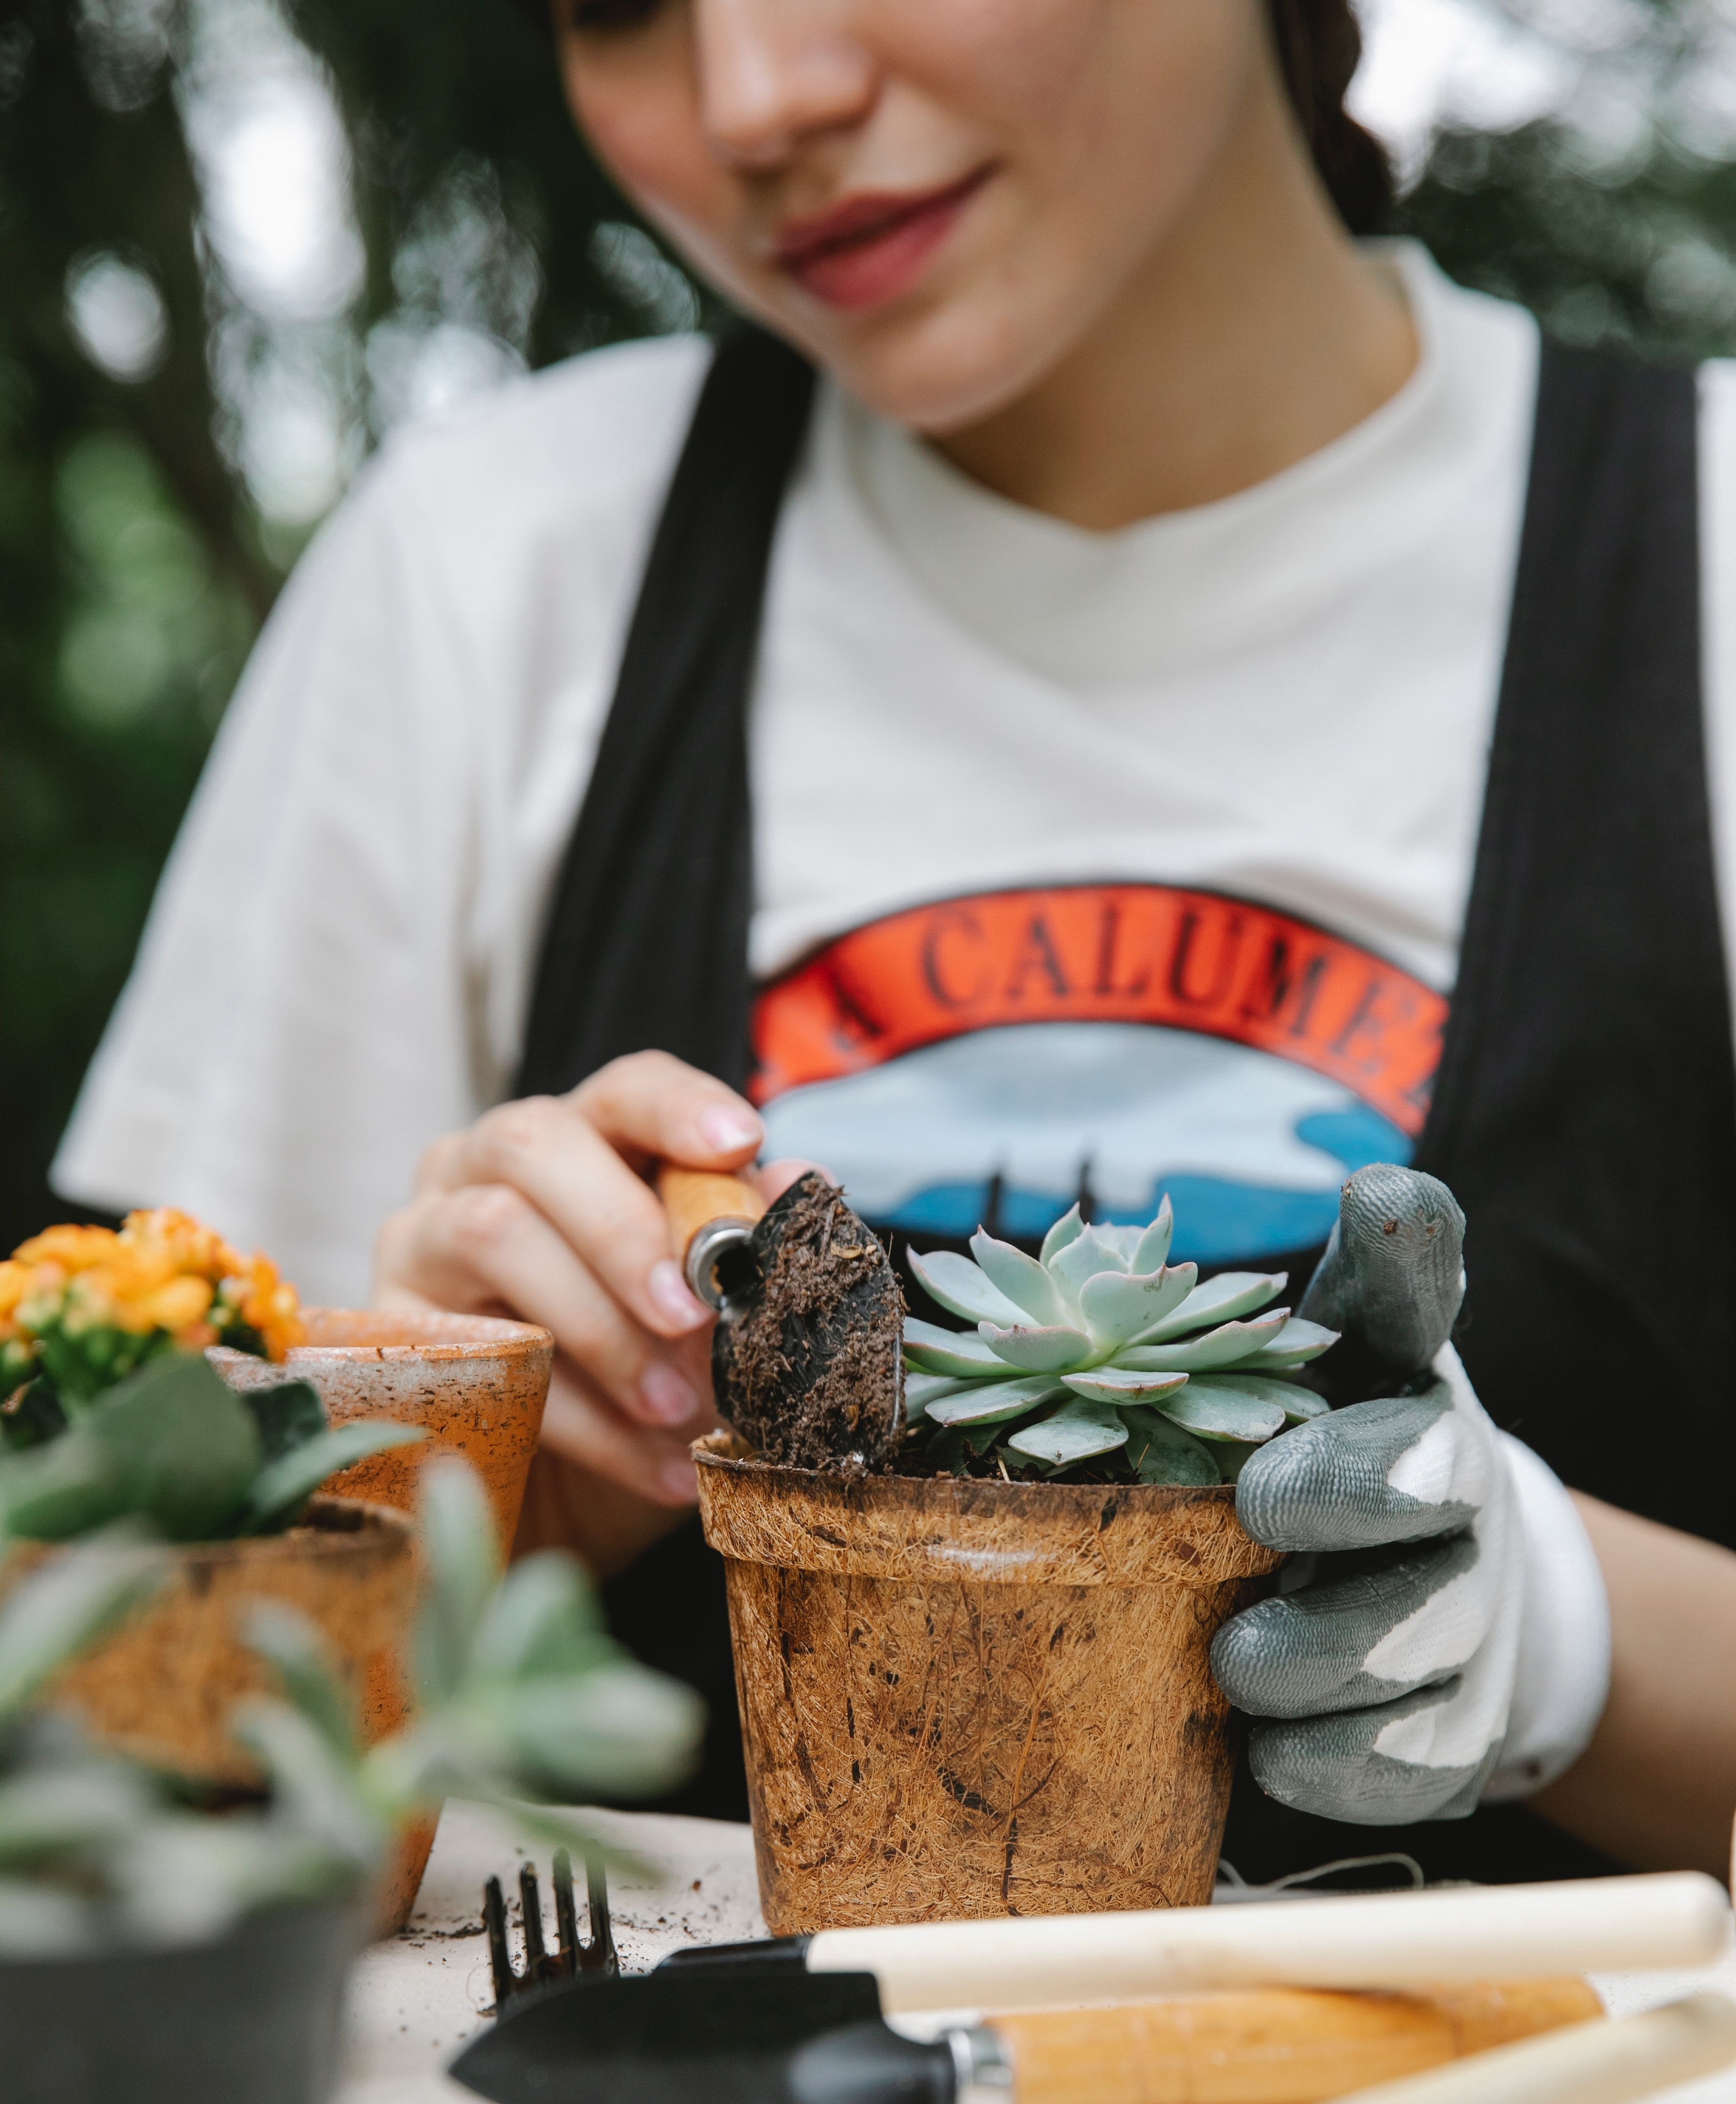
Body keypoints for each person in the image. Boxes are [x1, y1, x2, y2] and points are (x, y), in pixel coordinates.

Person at [57, 0, 1736, 1881]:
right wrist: (444, 1503)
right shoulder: (496, 572)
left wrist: (1571, 1635)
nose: (758, 99)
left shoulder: (1706, 564)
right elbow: (110, 1716)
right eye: (620, 3)